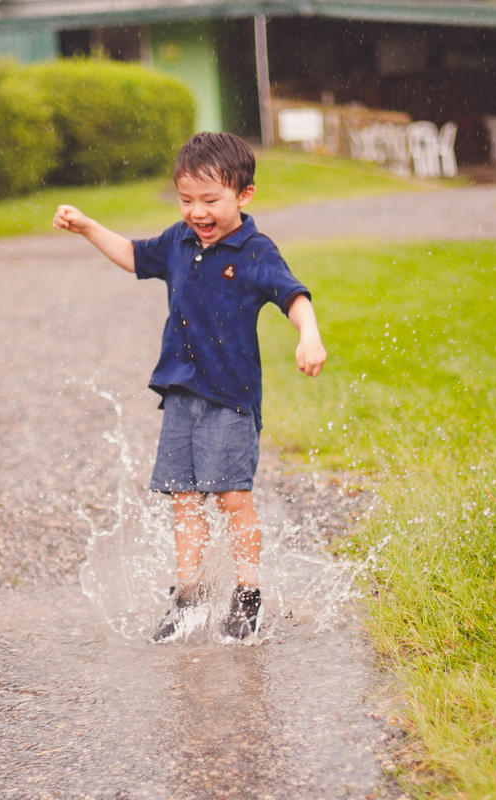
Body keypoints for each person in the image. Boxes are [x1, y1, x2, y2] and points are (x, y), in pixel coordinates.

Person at [52, 132, 326, 642]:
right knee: (182, 496)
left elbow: (293, 295)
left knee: (231, 496)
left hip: (230, 398)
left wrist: (308, 335)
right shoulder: (178, 243)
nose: (197, 212)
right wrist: (88, 226)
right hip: (180, 393)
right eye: (186, 200)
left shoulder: (255, 251)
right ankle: (189, 596)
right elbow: (134, 256)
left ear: (244, 196)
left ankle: (248, 596)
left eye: (210, 200)